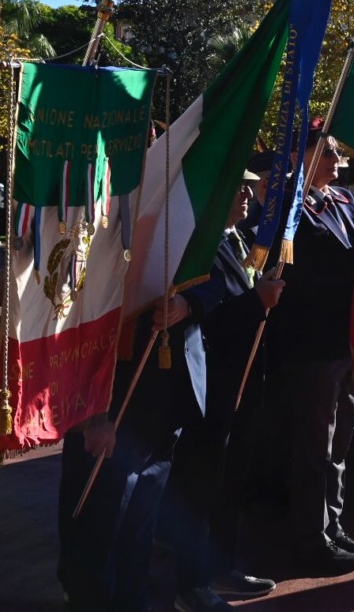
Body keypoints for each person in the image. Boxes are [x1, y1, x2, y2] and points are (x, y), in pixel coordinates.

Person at [58, 170, 284, 612]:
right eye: (233, 184)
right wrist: (92, 412)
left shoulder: (198, 241)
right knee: (103, 522)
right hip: (118, 406)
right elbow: (81, 327)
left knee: (139, 525)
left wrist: (191, 304)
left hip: (171, 406)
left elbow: (206, 289)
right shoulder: (113, 240)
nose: (242, 195)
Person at [262, 129, 354, 575]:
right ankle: (310, 539)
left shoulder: (344, 202)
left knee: (339, 441)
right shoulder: (288, 205)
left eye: (337, 153)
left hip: (345, 337)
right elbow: (316, 264)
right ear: (296, 156)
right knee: (314, 447)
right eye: (325, 152)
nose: (337, 160)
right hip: (310, 340)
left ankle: (333, 524)